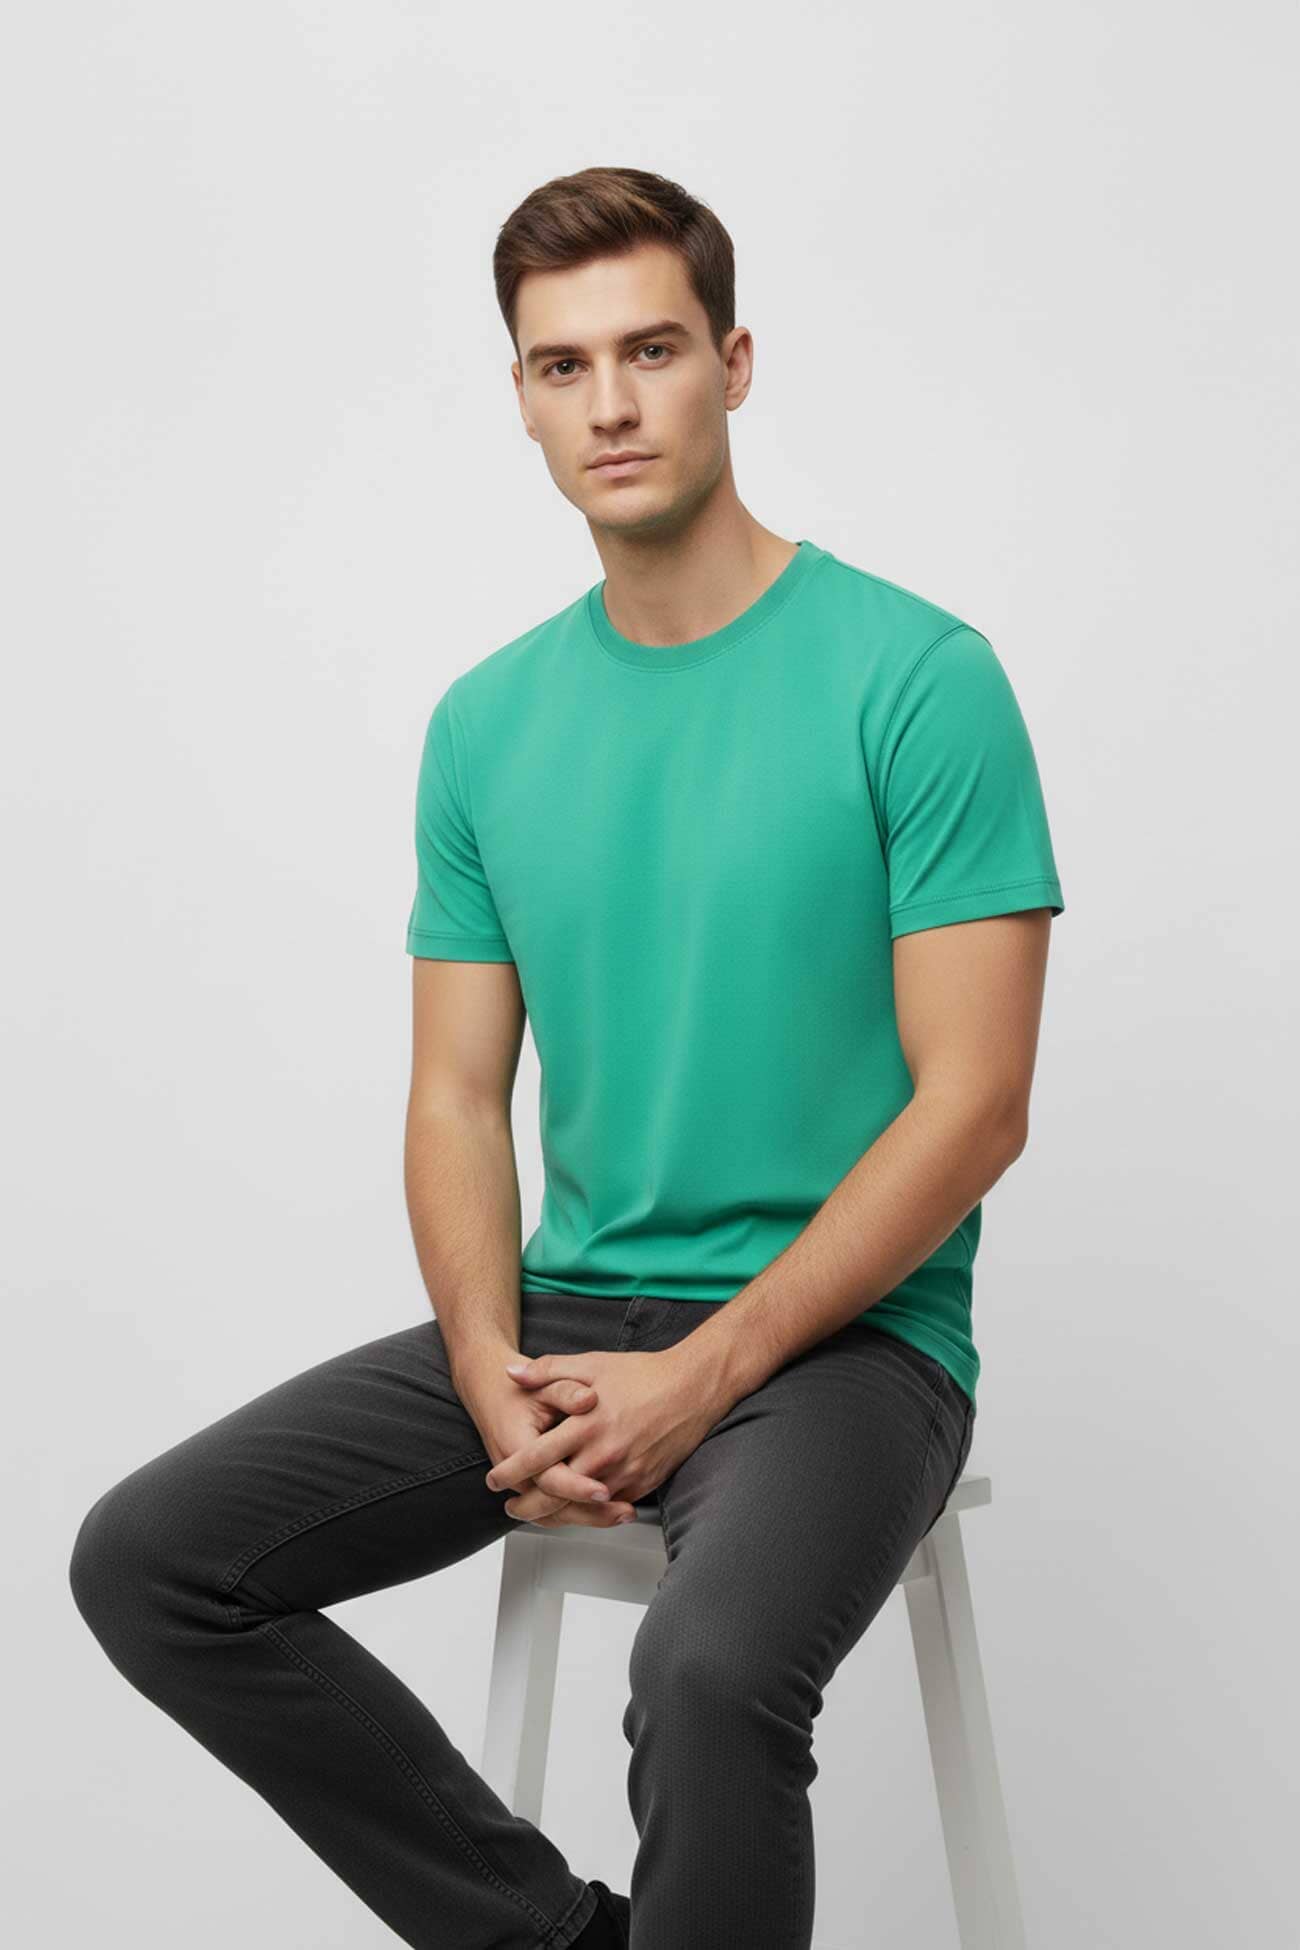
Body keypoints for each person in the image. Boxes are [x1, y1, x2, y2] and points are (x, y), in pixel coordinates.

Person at [69, 164, 1065, 1949]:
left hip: (848, 1345)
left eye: (652, 350)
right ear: (521, 397)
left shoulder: (920, 677)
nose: (610, 403)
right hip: (569, 1314)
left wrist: (707, 1367)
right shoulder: (487, 723)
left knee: (706, 1668)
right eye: (562, 365)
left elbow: (977, 1102)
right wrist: (482, 1363)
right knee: (154, 1560)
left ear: (734, 364)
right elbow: (457, 1095)